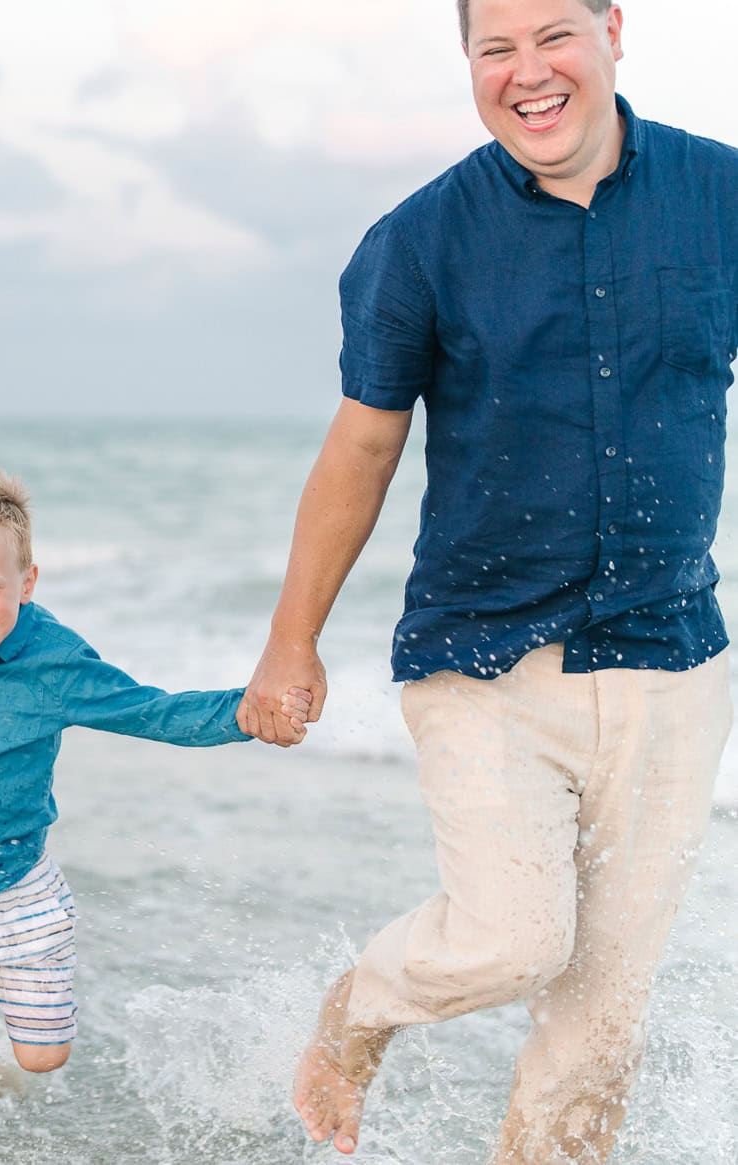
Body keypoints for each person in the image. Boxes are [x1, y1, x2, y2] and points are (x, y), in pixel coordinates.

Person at [235, 2, 738, 1160]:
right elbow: (360, 448)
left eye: (552, 36)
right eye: (492, 50)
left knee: (598, 1022)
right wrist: (289, 640)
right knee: (513, 938)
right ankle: (358, 1008)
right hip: (482, 661)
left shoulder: (719, 199)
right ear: (466, 65)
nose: (527, 74)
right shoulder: (415, 241)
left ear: (613, 30)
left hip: (671, 660)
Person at [0, 475, 309, 1164]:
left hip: (15, 887)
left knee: (42, 1056)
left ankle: (24, 975)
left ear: (28, 580)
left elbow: (149, 709)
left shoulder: (53, 660)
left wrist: (246, 712)